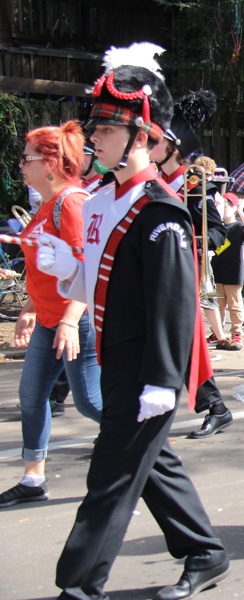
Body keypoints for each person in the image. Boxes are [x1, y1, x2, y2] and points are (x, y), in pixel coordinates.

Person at [36, 44, 229, 600]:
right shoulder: (102, 200)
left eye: (107, 130)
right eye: (95, 128)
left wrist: (163, 382)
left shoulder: (159, 209)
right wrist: (66, 266)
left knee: (112, 478)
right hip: (114, 357)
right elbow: (95, 282)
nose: (94, 139)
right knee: (152, 464)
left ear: (142, 136)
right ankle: (206, 552)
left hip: (147, 365)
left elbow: (175, 303)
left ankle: (78, 585)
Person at [0, 122, 103, 510]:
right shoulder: (46, 206)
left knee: (90, 403)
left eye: (25, 158)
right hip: (48, 320)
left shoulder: (71, 203)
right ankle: (32, 479)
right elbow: (49, 271)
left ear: (50, 163)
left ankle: (144, 451)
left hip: (74, 323)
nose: (20, 165)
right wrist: (29, 309)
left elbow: (87, 268)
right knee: (31, 396)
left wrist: (67, 320)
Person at [151, 90, 236, 437]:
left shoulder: (192, 184)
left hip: (184, 270)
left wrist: (201, 245)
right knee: (175, 343)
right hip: (157, 271)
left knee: (178, 342)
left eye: (158, 140)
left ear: (174, 147)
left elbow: (221, 231)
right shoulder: (152, 181)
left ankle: (213, 406)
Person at [213, 192, 244, 348]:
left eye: (223, 205)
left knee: (234, 305)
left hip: (233, 273)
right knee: (218, 305)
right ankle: (217, 333)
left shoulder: (237, 227)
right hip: (217, 271)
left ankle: (236, 333)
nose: (220, 209)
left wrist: (240, 210)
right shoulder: (219, 227)